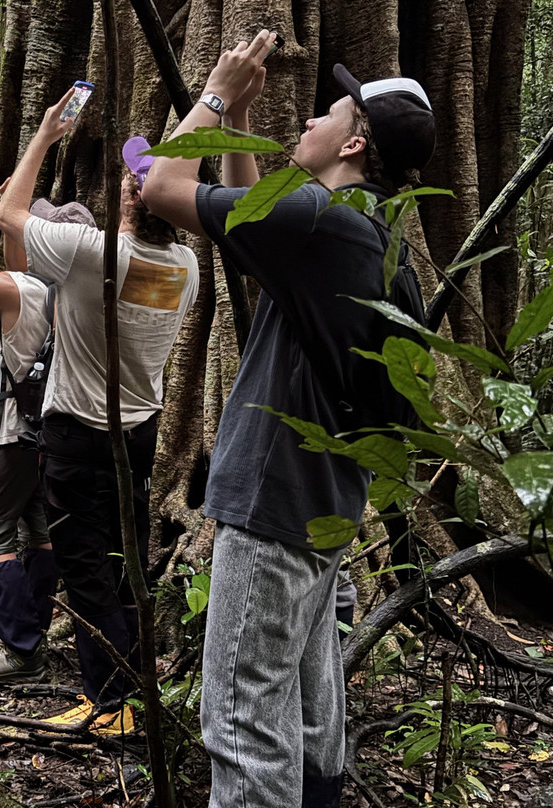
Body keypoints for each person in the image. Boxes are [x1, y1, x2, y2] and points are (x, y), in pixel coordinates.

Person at [142, 29, 435, 808]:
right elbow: (252, 241)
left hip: (272, 508)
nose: (306, 123)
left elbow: (158, 189)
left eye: (327, 114)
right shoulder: (372, 237)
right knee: (309, 717)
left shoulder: (319, 221)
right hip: (321, 507)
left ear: (357, 141)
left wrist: (209, 93)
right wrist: (237, 126)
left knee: (242, 726)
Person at [0, 90, 200, 733]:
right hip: (140, 435)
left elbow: (8, 215)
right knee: (122, 563)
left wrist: (45, 137)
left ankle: (110, 704)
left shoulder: (95, 252)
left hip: (78, 436)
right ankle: (132, 692)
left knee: (85, 570)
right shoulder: (187, 267)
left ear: (136, 196)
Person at [0, 187, 95, 685]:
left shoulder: (20, 291)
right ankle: (32, 630)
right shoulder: (80, 292)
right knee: (39, 532)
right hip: (54, 435)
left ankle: (20, 652)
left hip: (11, 437)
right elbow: (21, 264)